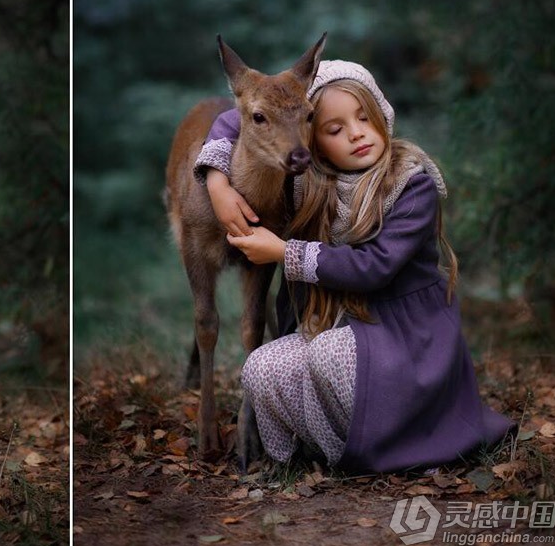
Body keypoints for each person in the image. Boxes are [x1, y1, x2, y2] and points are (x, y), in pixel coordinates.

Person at [192, 60, 514, 472]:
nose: (357, 133)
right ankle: (330, 450)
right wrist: (217, 182)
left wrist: (283, 253)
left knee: (326, 352)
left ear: (382, 113)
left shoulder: (411, 184)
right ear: (313, 140)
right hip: (337, 328)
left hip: (405, 340)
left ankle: (394, 448)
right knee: (261, 365)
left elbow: (375, 267)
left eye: (364, 118)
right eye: (335, 129)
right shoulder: (307, 178)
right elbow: (238, 117)